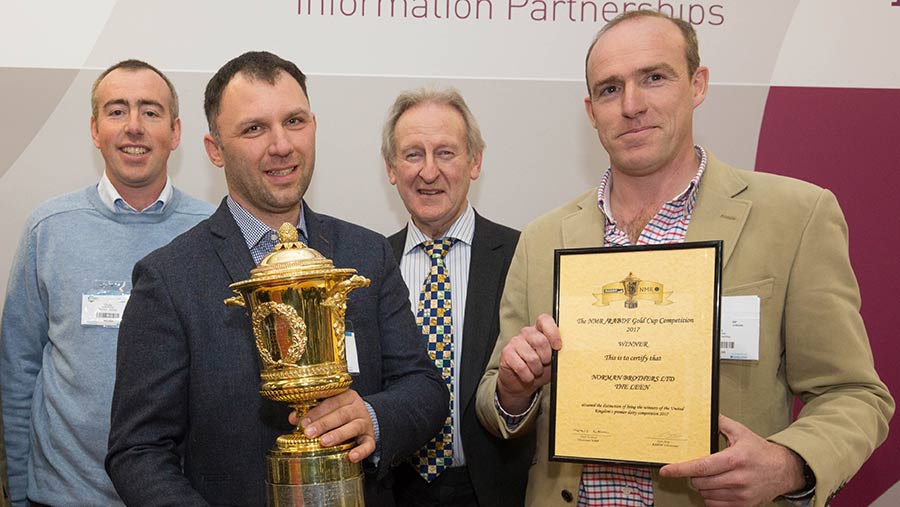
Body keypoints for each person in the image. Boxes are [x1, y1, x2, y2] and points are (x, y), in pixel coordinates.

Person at [475, 10, 894, 507]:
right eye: (610, 89)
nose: (631, 105)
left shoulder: (796, 217)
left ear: (697, 85)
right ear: (591, 110)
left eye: (654, 78)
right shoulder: (544, 237)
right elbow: (492, 396)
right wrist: (513, 390)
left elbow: (855, 395)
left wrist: (788, 463)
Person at [105, 51, 449, 506]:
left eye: (294, 121)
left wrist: (373, 417)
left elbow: (424, 389)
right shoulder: (169, 279)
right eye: (254, 128)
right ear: (214, 149)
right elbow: (138, 450)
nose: (281, 145)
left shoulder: (366, 254)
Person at [0, 59, 214, 506]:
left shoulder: (212, 232)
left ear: (175, 133)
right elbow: (18, 370)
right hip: (62, 496)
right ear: (95, 130)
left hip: (174, 495)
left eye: (150, 112)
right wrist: (19, 492)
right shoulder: (50, 228)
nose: (133, 127)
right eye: (117, 111)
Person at [382, 88, 533, 506]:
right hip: (393, 491)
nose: (428, 172)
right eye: (413, 154)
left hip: (493, 491)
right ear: (391, 168)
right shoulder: (367, 264)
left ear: (475, 161)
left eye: (445, 153)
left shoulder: (523, 256)